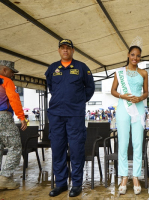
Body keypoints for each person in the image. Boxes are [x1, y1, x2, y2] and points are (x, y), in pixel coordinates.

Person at [45, 39, 95, 197]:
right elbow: (51, 87)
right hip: (56, 115)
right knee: (58, 149)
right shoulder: (53, 68)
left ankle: (77, 184)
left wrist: (78, 102)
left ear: (73, 50)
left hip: (75, 115)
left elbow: (90, 88)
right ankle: (61, 184)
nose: (65, 50)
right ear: (59, 50)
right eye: (62, 48)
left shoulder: (81, 67)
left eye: (68, 48)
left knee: (76, 149)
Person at [110, 40, 148, 195]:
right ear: (128, 55)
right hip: (123, 109)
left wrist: (141, 98)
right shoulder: (119, 72)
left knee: (138, 143)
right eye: (133, 55)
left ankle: (136, 177)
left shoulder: (144, 73)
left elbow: (146, 92)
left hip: (138, 108)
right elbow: (113, 90)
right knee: (123, 143)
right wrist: (122, 95)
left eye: (138, 56)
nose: (135, 58)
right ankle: (124, 177)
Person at [0, 60, 27, 190]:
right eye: (11, 72)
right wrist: (22, 117)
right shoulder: (5, 81)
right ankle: (5, 178)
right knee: (15, 146)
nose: (12, 75)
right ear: (5, 70)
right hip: (3, 116)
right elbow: (14, 99)